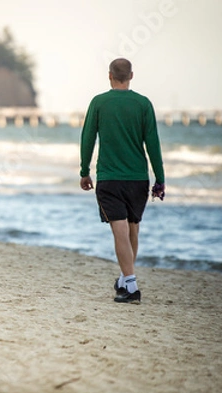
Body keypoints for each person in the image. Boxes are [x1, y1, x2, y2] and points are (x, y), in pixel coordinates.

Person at [79, 58, 165, 304]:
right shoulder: (143, 104)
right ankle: (125, 279)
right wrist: (160, 178)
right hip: (138, 179)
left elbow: (87, 139)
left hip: (110, 178)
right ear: (131, 76)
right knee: (132, 229)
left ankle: (131, 286)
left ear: (109, 76)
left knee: (120, 231)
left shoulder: (99, 102)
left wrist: (84, 170)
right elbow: (153, 144)